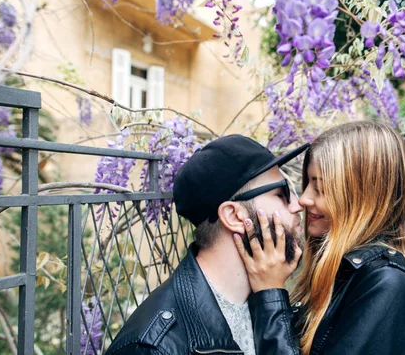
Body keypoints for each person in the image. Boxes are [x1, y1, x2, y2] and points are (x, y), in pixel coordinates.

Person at [233, 121, 405, 355]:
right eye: (308, 184)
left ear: (363, 198)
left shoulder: (386, 285)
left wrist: (270, 295)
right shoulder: (344, 270)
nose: (303, 200)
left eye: (322, 189)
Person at [105, 135, 306, 355]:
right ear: (234, 216)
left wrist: (271, 297)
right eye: (281, 193)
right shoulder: (154, 347)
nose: (298, 204)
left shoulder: (266, 301)